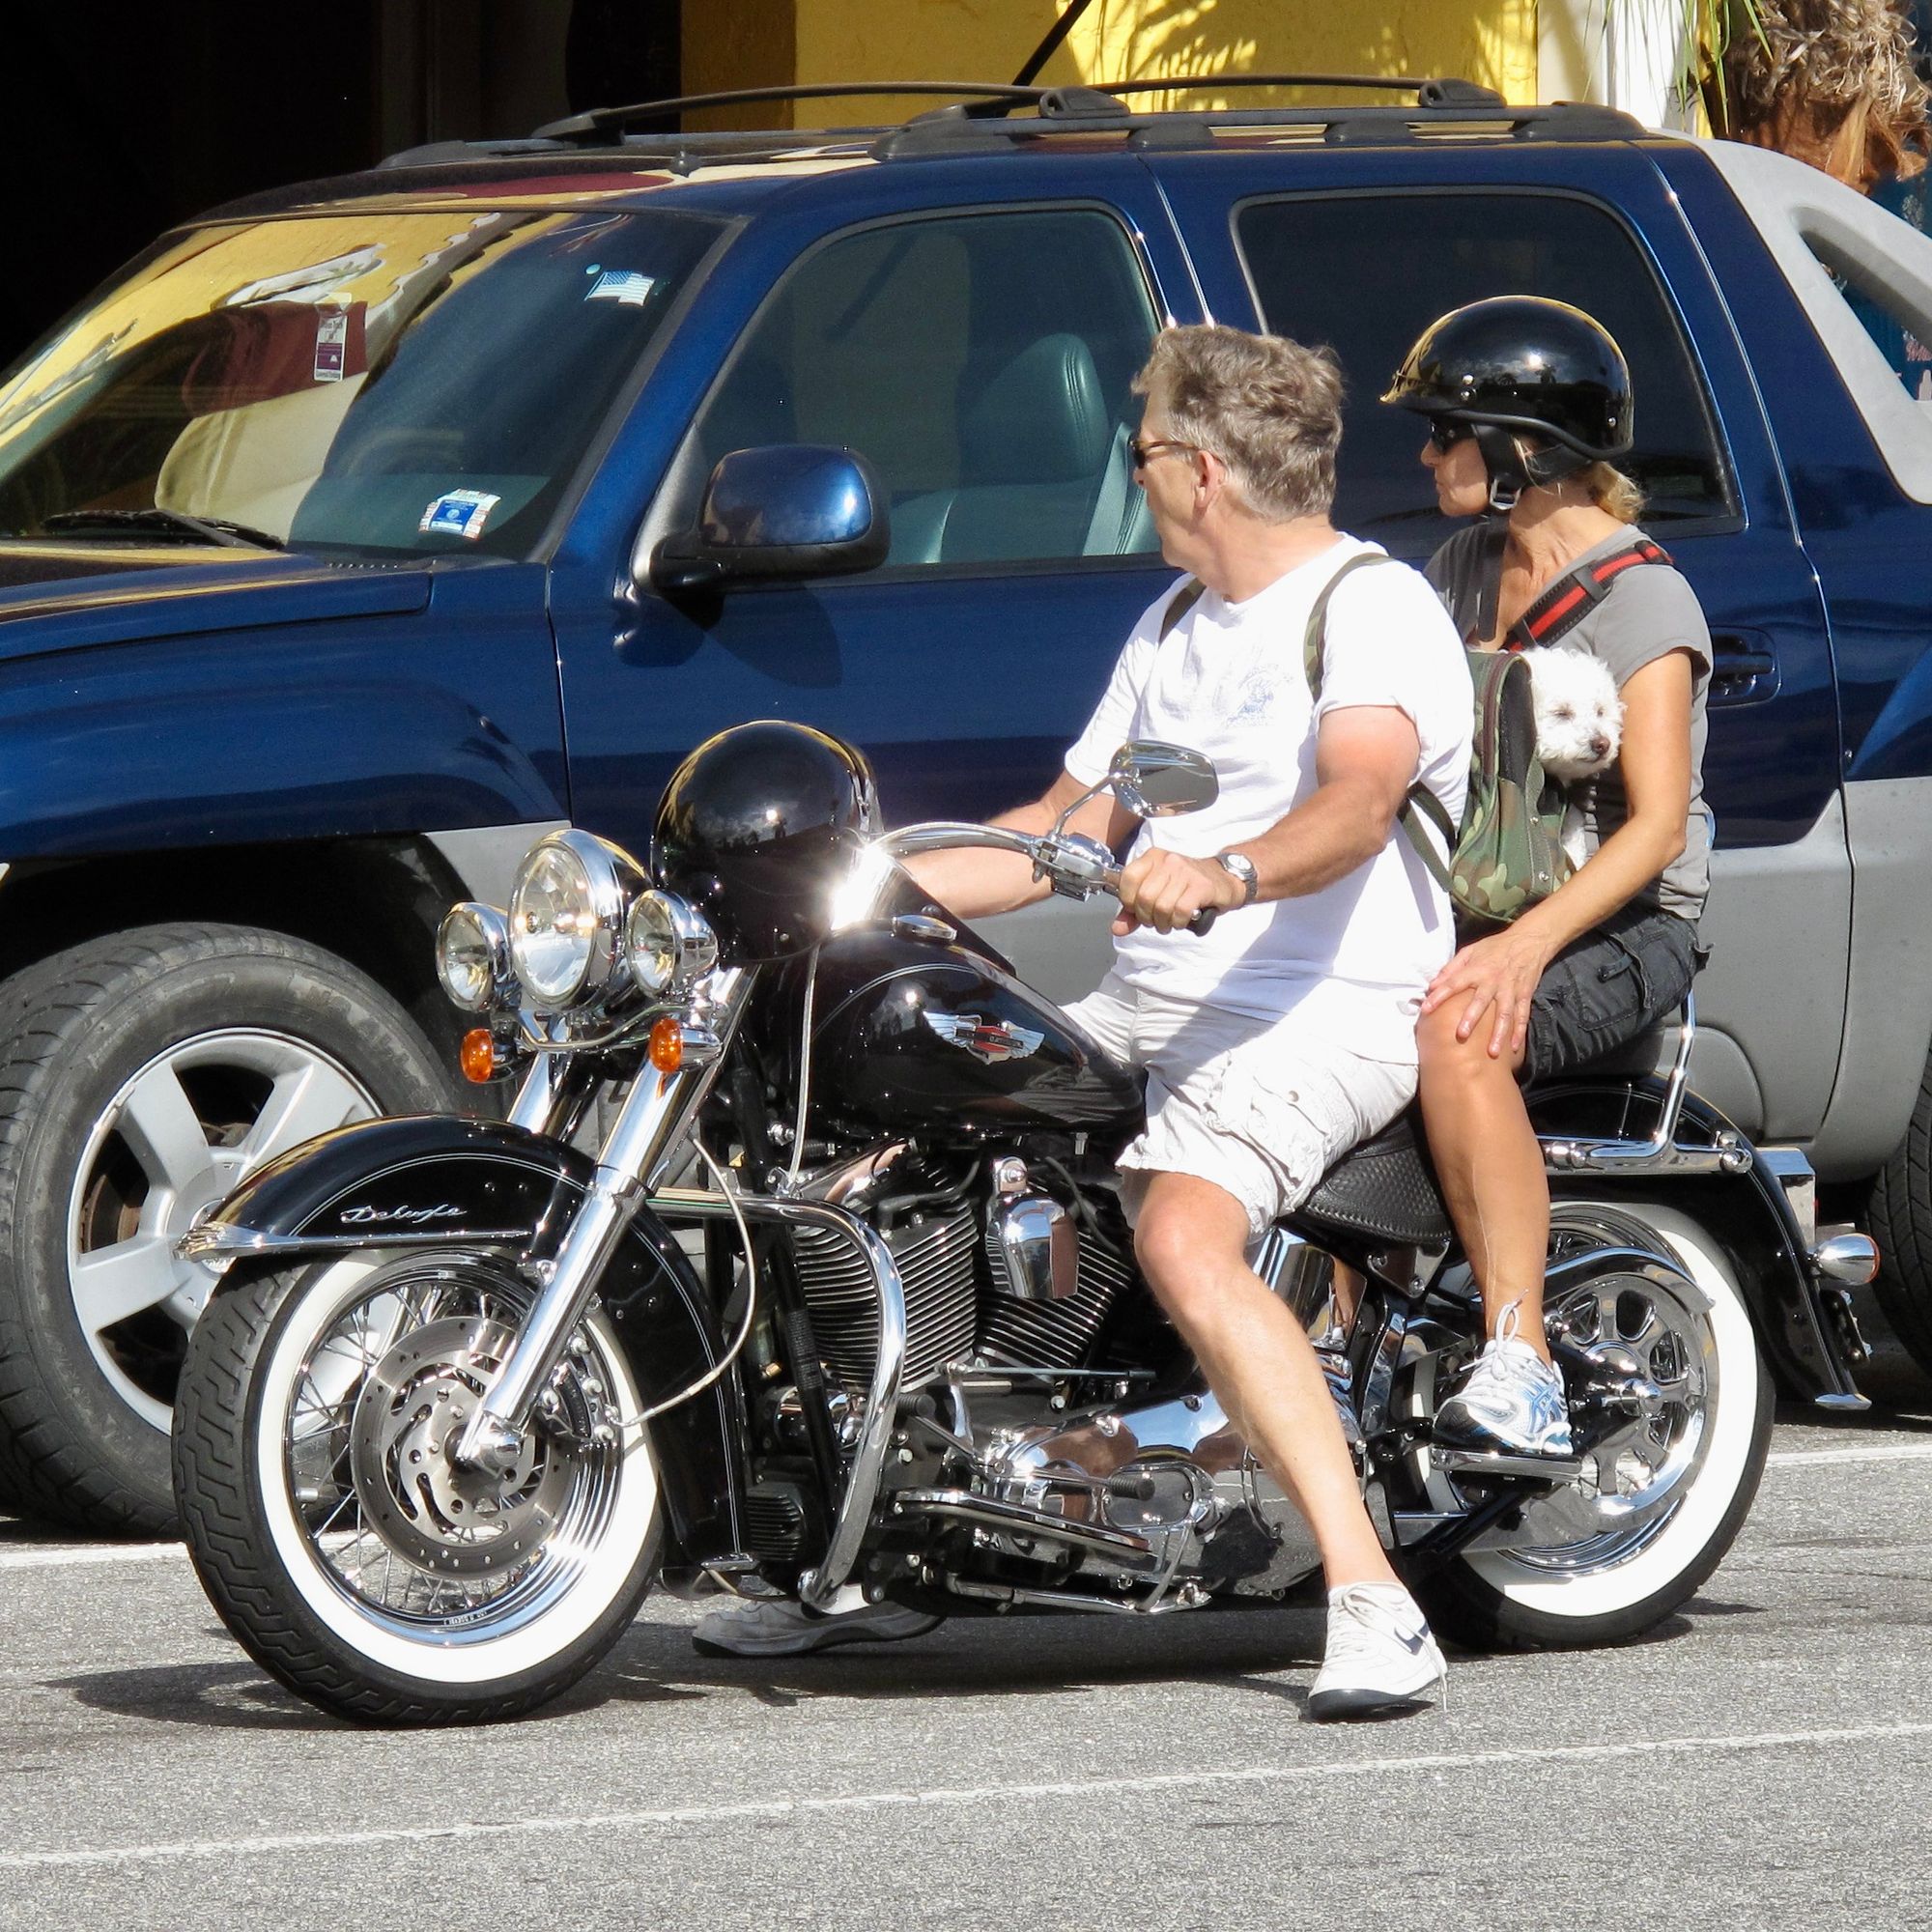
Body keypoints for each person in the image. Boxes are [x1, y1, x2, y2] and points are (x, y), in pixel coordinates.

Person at [697, 323, 1473, 1720]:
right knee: (886, 1150)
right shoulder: (1172, 624)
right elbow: (1058, 830)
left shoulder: (1368, 607)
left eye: (1143, 447)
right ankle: (861, 1550)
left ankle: (1370, 1597)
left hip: (1317, 1007)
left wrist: (1227, 872)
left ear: (1205, 470)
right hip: (1150, 1000)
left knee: (1181, 1231)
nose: (1133, 470)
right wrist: (826, 896)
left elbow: (1360, 801)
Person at [1380, 296, 1714, 1458]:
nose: (1425, 456)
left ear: (1520, 451)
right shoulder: (1459, 568)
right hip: (1482, 892)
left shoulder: (1643, 598)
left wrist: (1522, 949)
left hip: (1620, 921)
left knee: (1459, 1028)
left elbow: (1655, 829)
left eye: (1444, 433)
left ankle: (1516, 1358)